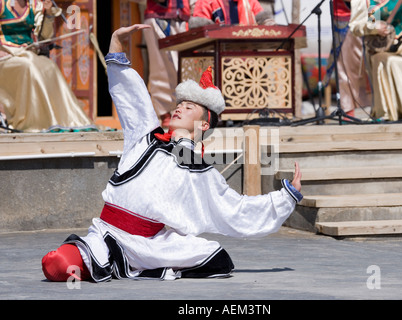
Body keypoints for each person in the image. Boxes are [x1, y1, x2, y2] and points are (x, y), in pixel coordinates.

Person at [41, 24, 303, 282]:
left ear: (202, 125)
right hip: (106, 231)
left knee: (217, 257)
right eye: (180, 104)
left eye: (189, 107)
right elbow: (132, 99)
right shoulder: (146, 135)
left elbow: (235, 209)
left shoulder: (200, 170)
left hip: (148, 244)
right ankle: (109, 262)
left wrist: (285, 197)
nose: (179, 109)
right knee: (55, 264)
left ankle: (146, 265)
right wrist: (117, 46)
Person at [0, 0, 93, 132]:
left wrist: (48, 14)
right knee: (29, 66)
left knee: (50, 67)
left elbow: (45, 37)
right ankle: (32, 122)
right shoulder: (3, 5)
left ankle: (62, 120)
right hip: (5, 57)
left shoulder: (34, 6)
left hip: (27, 53)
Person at [349, 0, 402, 121]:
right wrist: (374, 27)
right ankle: (387, 112)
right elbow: (355, 26)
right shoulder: (365, 2)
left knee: (398, 63)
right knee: (385, 62)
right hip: (378, 49)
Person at [141, 0, 191, 128]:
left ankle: (185, 112)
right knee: (160, 68)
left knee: (187, 67)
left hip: (185, 17)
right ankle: (165, 114)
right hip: (158, 17)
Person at [324, 0, 371, 118]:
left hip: (372, 14)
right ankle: (348, 111)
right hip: (347, 18)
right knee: (346, 68)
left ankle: (382, 109)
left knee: (375, 64)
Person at [190, 0, 275, 28]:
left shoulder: (249, 1)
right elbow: (199, 30)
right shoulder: (205, 1)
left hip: (246, 62)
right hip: (215, 60)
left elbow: (265, 21)